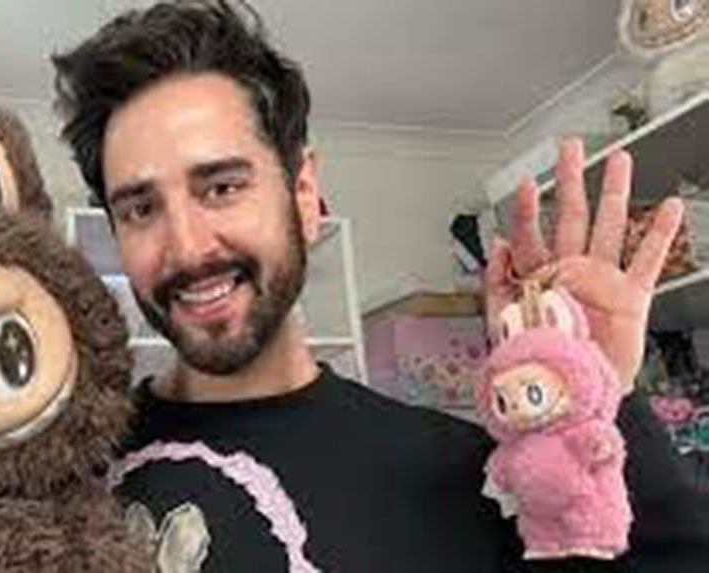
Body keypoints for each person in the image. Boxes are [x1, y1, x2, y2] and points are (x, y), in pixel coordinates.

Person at [51, 0, 709, 571]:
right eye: (140, 208)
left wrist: (596, 402)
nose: (187, 247)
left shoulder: (472, 477)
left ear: (304, 191)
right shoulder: (63, 474)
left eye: (221, 187)